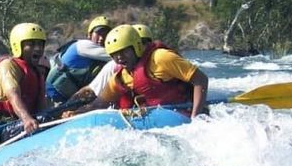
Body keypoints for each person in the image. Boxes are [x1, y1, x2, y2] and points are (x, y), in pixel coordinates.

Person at [63, 24, 208, 118]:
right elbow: (99, 104)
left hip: (185, 112)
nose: (119, 58)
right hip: (161, 118)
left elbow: (201, 80)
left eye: (123, 52)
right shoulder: (122, 77)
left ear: (137, 47)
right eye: (114, 54)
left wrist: (195, 117)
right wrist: (76, 113)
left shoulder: (161, 58)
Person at [0, 22, 49, 146]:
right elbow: (13, 95)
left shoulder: (37, 72)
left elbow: (42, 109)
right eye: (30, 44)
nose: (37, 48)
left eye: (40, 44)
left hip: (23, 125)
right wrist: (26, 119)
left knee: (47, 118)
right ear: (17, 46)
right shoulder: (8, 66)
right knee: (43, 120)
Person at [67, 24, 155, 105]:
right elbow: (91, 91)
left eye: (145, 43)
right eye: (140, 43)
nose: (142, 47)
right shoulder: (114, 66)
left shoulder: (158, 60)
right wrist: (71, 108)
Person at [45, 16, 113, 104]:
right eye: (98, 34)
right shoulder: (84, 45)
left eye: (106, 34)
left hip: (64, 96)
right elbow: (116, 57)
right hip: (55, 95)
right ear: (89, 35)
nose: (102, 38)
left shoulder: (94, 53)